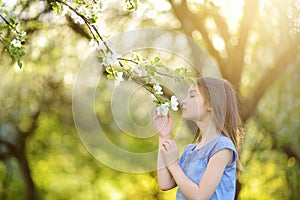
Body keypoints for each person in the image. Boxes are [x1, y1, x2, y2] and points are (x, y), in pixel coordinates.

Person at [154, 77, 244, 200]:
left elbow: (200, 196)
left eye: (192, 95)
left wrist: (173, 165)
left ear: (211, 104)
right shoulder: (190, 150)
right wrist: (164, 136)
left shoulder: (222, 148)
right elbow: (165, 184)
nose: (184, 101)